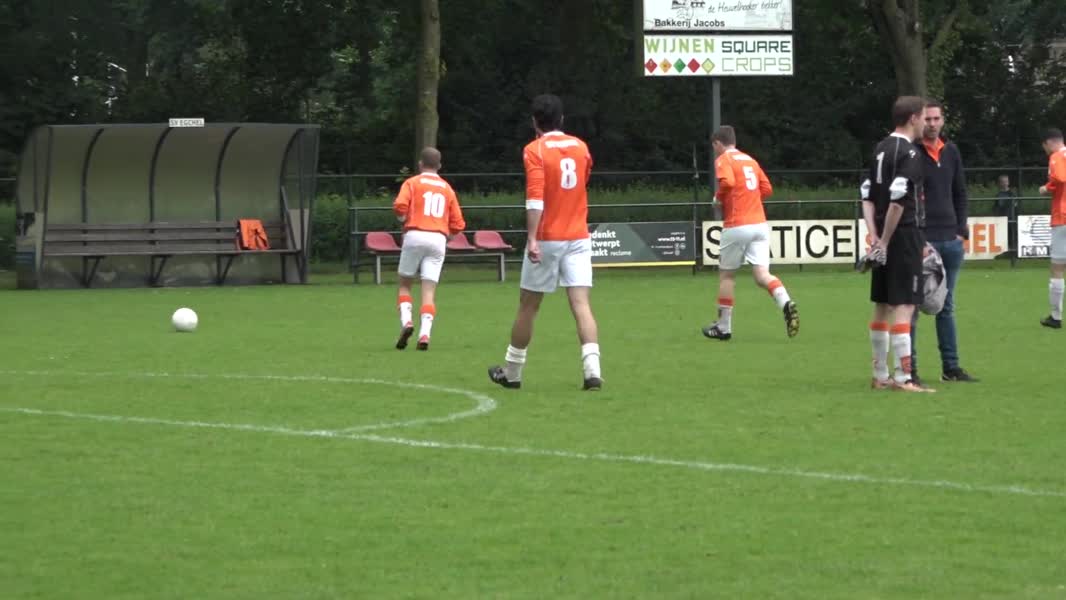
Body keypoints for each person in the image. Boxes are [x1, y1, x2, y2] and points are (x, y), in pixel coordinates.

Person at [488, 94, 603, 390]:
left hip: (548, 236)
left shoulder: (534, 150)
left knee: (528, 306)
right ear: (561, 119)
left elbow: (535, 198)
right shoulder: (581, 147)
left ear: (534, 122)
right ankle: (592, 371)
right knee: (581, 304)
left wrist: (532, 238)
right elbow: (583, 181)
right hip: (578, 235)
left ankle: (512, 373)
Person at [860, 96, 933, 393]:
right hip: (903, 235)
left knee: (882, 305)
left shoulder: (880, 148)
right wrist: (887, 241)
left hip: (883, 234)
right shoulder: (910, 153)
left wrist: (875, 237)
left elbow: (866, 195)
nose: (926, 123)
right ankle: (904, 379)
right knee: (904, 305)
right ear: (913, 118)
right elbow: (898, 199)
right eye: (924, 118)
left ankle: (880, 375)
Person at [701, 125, 798, 341]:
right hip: (759, 224)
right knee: (762, 275)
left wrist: (718, 198)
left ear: (718, 143)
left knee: (727, 276)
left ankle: (723, 327)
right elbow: (767, 189)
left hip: (737, 224)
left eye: (714, 146)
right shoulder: (750, 160)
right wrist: (749, 198)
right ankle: (786, 301)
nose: (714, 150)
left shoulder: (724, 159)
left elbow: (728, 182)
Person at [911, 99, 978, 384]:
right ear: (919, 120)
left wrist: (960, 230)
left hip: (951, 241)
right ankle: (909, 369)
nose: (932, 124)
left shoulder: (951, 151)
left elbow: (960, 192)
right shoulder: (911, 153)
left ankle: (950, 368)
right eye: (927, 119)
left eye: (936, 118)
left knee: (946, 306)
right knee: (912, 306)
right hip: (923, 241)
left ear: (942, 120)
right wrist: (917, 236)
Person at [392, 147, 466, 351]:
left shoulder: (412, 182)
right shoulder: (447, 188)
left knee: (405, 284)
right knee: (429, 290)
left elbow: (400, 205)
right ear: (439, 165)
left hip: (415, 234)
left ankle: (407, 321)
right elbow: (458, 223)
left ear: (420, 164)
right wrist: (447, 236)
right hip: (438, 239)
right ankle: (425, 333)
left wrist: (402, 219)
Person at [1038, 128, 1066, 329]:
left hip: (1062, 218)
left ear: (1048, 143)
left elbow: (1060, 178)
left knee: (1057, 268)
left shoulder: (1056, 156)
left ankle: (1056, 317)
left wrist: (1046, 188)